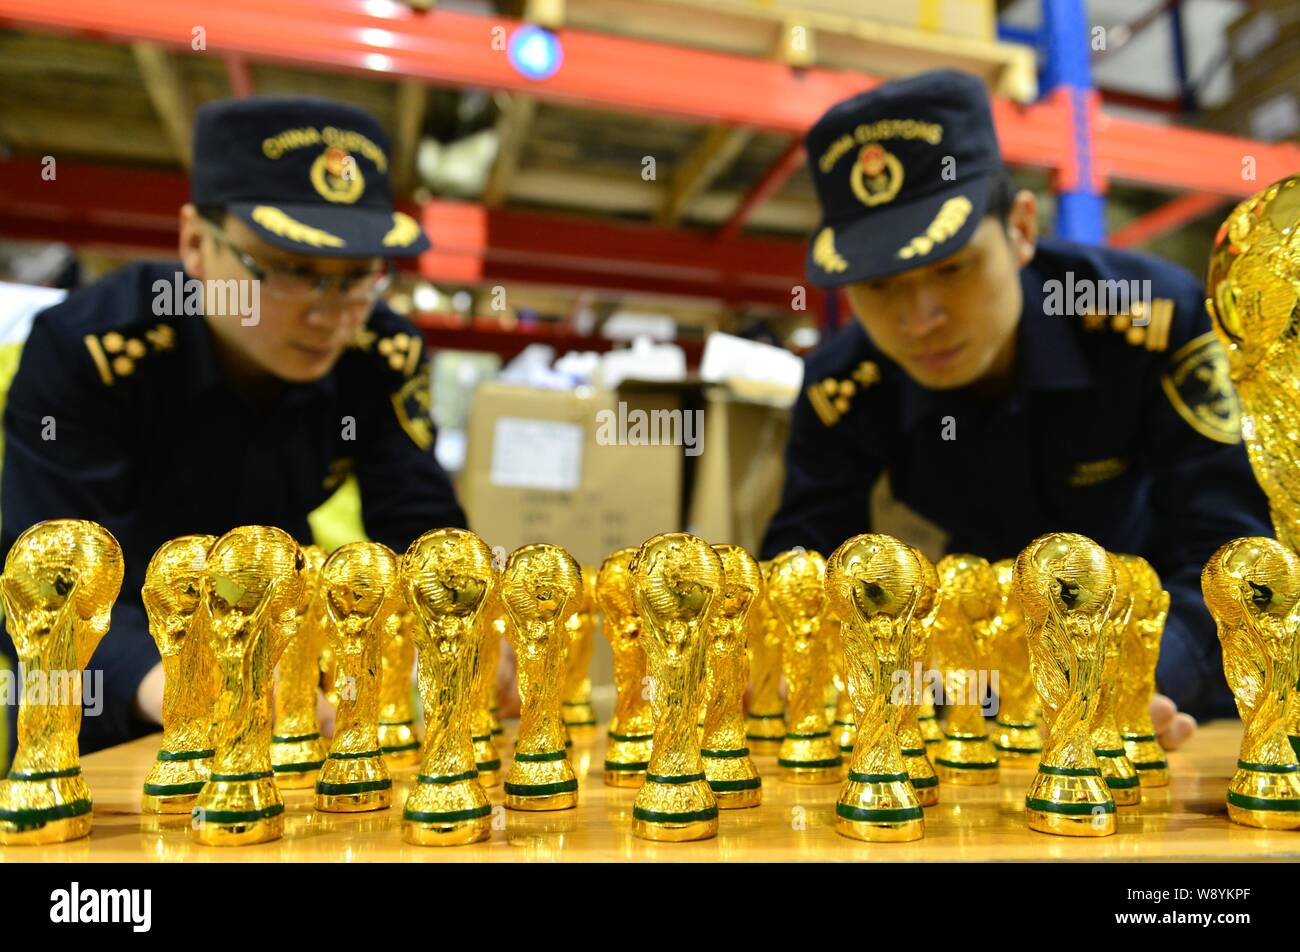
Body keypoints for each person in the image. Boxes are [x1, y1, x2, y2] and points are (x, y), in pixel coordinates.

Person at [760, 70, 1273, 747]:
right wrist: (787, 659)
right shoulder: (843, 386)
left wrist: (1143, 672)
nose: (921, 320)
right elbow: (805, 560)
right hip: (968, 703)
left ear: (1022, 230)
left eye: (952, 268)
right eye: (878, 286)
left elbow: (1229, 548)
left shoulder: (1146, 323)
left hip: (1159, 702)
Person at [0, 97, 467, 766]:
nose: (329, 314)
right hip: (109, 703)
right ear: (195, 243)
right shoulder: (97, 348)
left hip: (289, 699)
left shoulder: (377, 352)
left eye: (358, 276)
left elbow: (417, 520)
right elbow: (40, 573)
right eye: (290, 270)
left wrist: (469, 623)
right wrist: (178, 687)